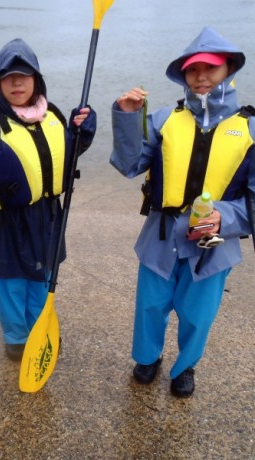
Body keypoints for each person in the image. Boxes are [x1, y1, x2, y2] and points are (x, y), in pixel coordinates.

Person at [110, 26, 255, 397]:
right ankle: (147, 358)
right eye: (193, 70)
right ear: (184, 75)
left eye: (211, 68)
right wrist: (127, 118)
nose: (201, 77)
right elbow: (129, 165)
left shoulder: (250, 128)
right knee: (150, 305)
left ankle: (185, 367)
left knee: (198, 314)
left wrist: (227, 216)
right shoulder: (162, 119)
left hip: (214, 240)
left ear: (228, 71)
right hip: (161, 233)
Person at [0, 38, 96, 361]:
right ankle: (16, 338)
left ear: (36, 79)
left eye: (24, 74)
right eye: (8, 76)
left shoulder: (54, 117)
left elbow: (64, 157)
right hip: (4, 224)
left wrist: (82, 133)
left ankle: (40, 327)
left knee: (43, 277)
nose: (16, 82)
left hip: (45, 217)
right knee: (10, 286)